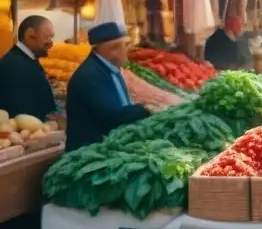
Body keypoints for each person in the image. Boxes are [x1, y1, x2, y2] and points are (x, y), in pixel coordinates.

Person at [65, 23, 150, 151]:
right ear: (113, 50)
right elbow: (113, 116)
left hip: (106, 149)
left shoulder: (109, 70)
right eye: (125, 45)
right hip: (88, 156)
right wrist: (146, 109)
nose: (129, 49)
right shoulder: (90, 76)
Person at [0, 15, 58, 123]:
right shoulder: (15, 65)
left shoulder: (26, 60)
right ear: (30, 35)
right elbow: (23, 113)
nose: (51, 43)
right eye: (47, 37)